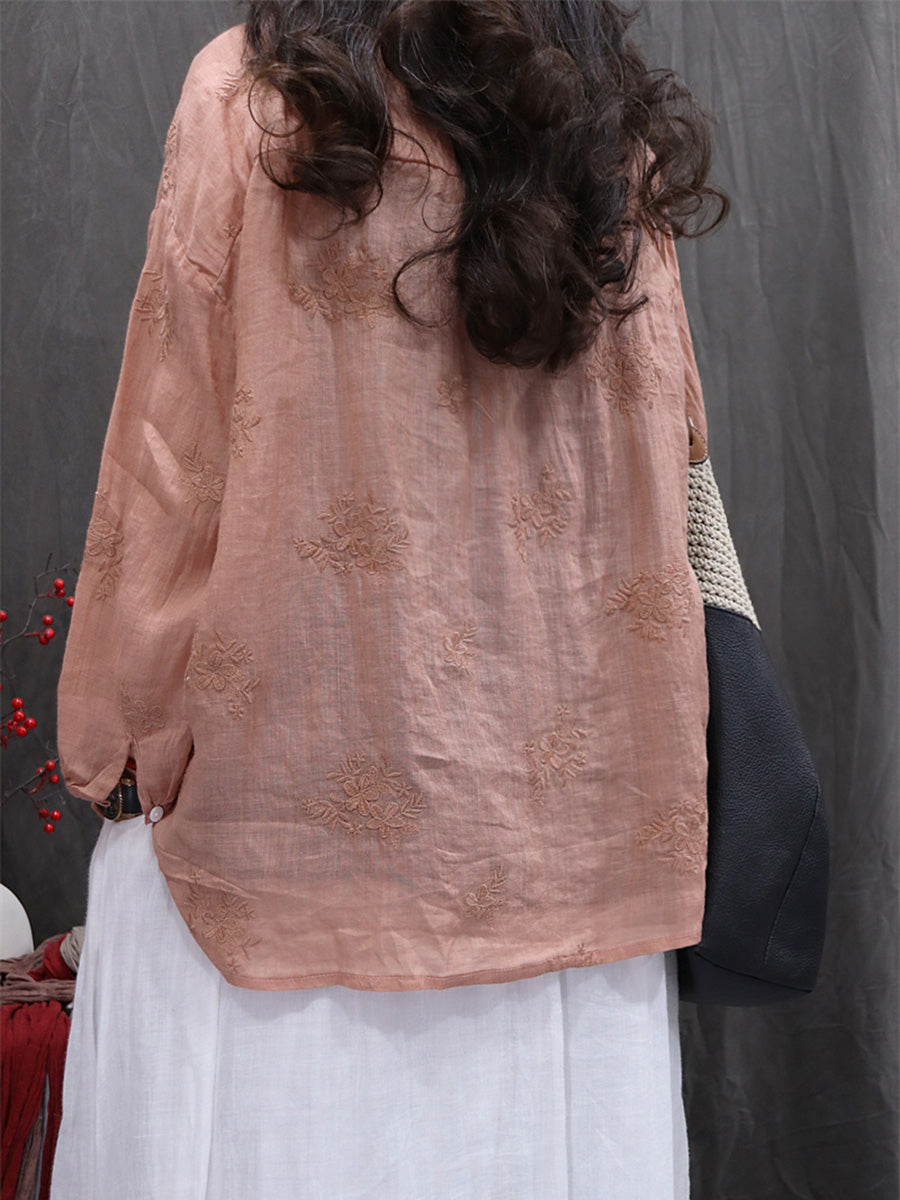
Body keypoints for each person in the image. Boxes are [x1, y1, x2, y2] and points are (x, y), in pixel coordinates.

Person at [50, 2, 729, 1197]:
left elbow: (170, 459)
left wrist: (117, 736)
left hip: (286, 861)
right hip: (571, 868)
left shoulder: (253, 103)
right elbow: (671, 451)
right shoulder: (607, 130)